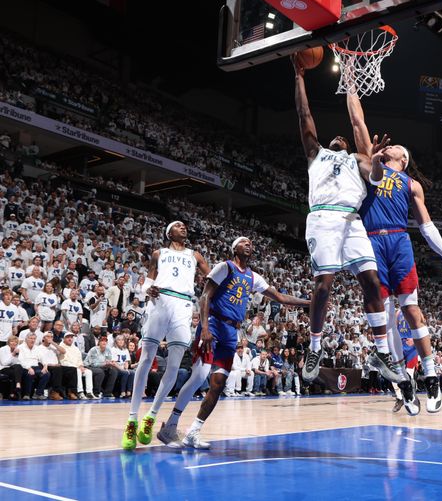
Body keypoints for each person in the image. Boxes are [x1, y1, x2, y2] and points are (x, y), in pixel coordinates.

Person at [291, 55, 405, 387]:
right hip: (324, 217)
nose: (341, 138)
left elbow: (376, 172)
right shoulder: (316, 154)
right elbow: (304, 114)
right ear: (329, 144)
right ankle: (314, 348)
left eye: (344, 139)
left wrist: (379, 160)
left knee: (371, 281)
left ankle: (383, 352)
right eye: (336, 139)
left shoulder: (359, 159)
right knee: (324, 286)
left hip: (352, 220)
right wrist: (299, 76)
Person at [345, 90, 442, 415]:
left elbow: (426, 225)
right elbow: (357, 121)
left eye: (395, 147)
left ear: (403, 158)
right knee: (387, 318)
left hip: (398, 240)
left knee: (411, 310)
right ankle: (403, 382)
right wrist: (351, 86)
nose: (390, 145)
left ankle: (431, 374)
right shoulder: (371, 161)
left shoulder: (411, 184)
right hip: (371, 241)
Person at [156, 236, 309, 450]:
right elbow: (205, 297)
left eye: (251, 242)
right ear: (234, 248)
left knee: (218, 385)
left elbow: (279, 297)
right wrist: (205, 328)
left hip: (231, 332)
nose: (250, 244)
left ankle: (193, 432)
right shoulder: (225, 267)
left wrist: (309, 303)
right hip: (213, 324)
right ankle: (169, 427)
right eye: (245, 242)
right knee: (199, 375)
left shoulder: (253, 277)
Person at [121, 221, 210, 450]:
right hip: (159, 301)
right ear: (169, 232)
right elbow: (149, 280)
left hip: (183, 305)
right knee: (145, 359)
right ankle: (132, 419)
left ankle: (150, 417)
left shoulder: (195, 255)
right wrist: (145, 290)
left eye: (184, 226)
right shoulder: (158, 253)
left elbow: (212, 278)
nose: (183, 228)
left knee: (173, 367)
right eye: (178, 226)